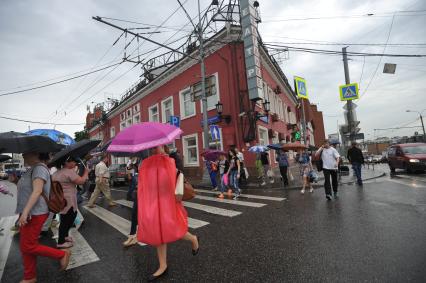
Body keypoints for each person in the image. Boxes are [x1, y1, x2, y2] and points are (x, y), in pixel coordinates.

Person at [137, 146, 199, 281]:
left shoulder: (171, 160)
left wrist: (167, 163)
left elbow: (174, 178)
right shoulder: (147, 163)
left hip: (169, 201)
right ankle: (163, 265)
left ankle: (193, 239)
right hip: (155, 203)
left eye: (157, 147)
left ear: (163, 147)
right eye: (152, 148)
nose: (154, 149)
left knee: (173, 228)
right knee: (158, 233)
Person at [16, 151, 71, 283]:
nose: (23, 155)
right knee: (26, 246)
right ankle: (29, 277)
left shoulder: (39, 168)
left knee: (28, 246)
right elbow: (29, 189)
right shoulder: (32, 169)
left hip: (35, 213)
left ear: (36, 154)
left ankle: (62, 254)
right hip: (29, 213)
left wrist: (25, 212)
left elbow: (37, 191)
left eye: (26, 153)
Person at [52, 156, 89, 248]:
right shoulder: (68, 172)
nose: (75, 163)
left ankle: (65, 236)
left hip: (61, 200)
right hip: (68, 200)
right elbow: (81, 181)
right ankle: (61, 242)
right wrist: (86, 172)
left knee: (67, 218)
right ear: (66, 162)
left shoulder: (57, 172)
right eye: (73, 161)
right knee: (67, 220)